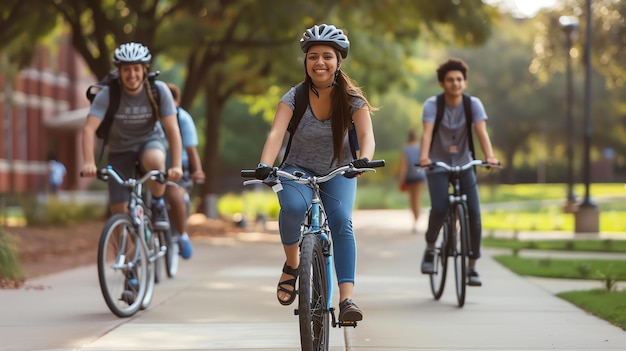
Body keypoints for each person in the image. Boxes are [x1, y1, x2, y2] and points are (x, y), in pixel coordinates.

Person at [254, 24, 376, 322]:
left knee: (341, 223)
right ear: (306, 62)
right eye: (313, 57)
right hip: (296, 169)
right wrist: (265, 165)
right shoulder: (293, 97)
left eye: (327, 56)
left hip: (340, 170)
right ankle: (293, 264)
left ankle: (347, 300)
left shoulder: (352, 99)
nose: (319, 62)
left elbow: (367, 136)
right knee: (293, 208)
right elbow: (275, 134)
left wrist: (364, 159)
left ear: (338, 62)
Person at [81, 42, 183, 231]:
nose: (132, 75)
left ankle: (158, 203)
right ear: (118, 71)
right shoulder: (108, 94)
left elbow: (173, 129)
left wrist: (176, 165)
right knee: (118, 212)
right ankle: (127, 259)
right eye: (126, 69)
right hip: (119, 149)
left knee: (154, 160)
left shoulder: (158, 90)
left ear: (145, 69)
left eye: (136, 69)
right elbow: (88, 129)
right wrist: (89, 162)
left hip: (150, 141)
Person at [418, 58, 499, 287]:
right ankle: (431, 247)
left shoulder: (472, 104)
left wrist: (489, 156)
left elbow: (481, 132)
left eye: (459, 79)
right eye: (450, 80)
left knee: (474, 212)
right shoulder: (433, 105)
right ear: (442, 83)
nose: (455, 83)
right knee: (440, 208)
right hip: (437, 165)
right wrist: (424, 158)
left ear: (465, 82)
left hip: (465, 163)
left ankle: (472, 266)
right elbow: (427, 133)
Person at [163, 83, 205, 259]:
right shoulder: (153, 117)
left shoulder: (183, 119)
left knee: (174, 195)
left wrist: (198, 170)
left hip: (180, 167)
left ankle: (181, 235)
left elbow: (191, 150)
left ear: (177, 102)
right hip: (157, 167)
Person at [398, 129, 426, 233]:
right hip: (420, 176)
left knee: (412, 200)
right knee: (417, 198)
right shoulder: (419, 148)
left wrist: (401, 180)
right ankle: (417, 218)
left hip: (410, 177)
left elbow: (404, 167)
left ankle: (415, 220)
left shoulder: (405, 149)